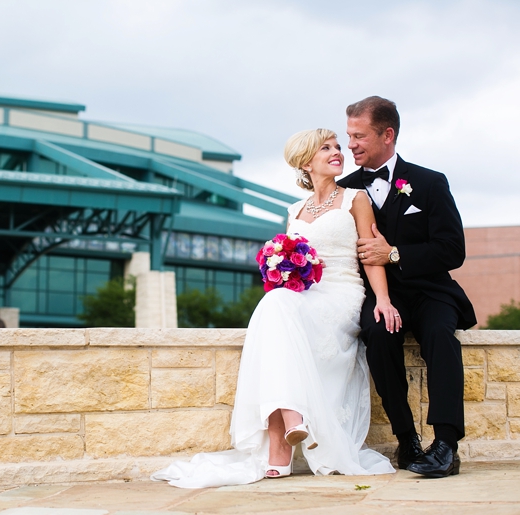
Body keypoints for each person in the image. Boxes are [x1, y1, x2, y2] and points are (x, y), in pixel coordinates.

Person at [151, 129, 396, 488]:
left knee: (275, 309)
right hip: (305, 297)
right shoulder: (294, 210)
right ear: (305, 162)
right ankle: (292, 422)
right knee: (275, 304)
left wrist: (383, 299)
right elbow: (290, 263)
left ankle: (279, 447)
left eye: (336, 147)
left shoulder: (355, 199)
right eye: (325, 148)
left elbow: (371, 254)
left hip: (342, 293)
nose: (337, 152)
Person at [337, 96, 476, 478]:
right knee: (377, 335)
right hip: (381, 296)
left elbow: (452, 249)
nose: (351, 145)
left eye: (359, 136)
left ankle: (446, 444)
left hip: (431, 291)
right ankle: (406, 439)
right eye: (349, 136)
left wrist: (394, 254)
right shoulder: (344, 191)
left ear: (387, 134)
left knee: (440, 337)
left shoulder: (430, 182)